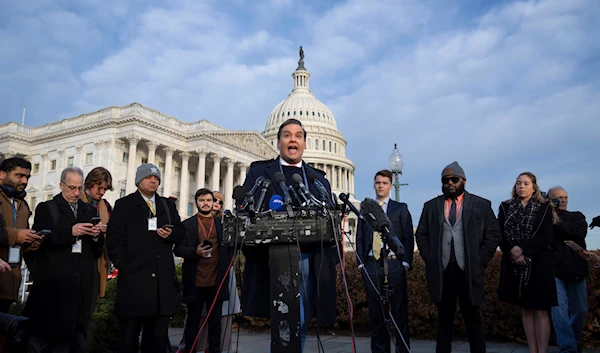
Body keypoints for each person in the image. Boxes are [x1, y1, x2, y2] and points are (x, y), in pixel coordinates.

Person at [241, 118, 338, 352]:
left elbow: (328, 217)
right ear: (278, 142)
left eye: (298, 135)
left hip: (307, 258)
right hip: (270, 258)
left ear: (304, 143)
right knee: (281, 321)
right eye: (287, 135)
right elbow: (246, 210)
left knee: (300, 321)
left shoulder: (317, 178)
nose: (292, 139)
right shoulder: (259, 173)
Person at [415, 161, 501, 353]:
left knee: (473, 316)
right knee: (444, 319)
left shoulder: (481, 204)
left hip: (469, 270)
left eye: (454, 179)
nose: (450, 183)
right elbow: (421, 234)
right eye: (446, 180)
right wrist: (430, 258)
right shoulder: (431, 206)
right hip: (443, 270)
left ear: (463, 181)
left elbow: (494, 233)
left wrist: (480, 260)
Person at [24, 167, 104, 353]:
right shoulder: (46, 208)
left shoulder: (89, 210)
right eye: (71, 188)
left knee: (69, 342)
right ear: (61, 185)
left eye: (79, 188)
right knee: (41, 340)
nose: (76, 193)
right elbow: (41, 240)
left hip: (79, 288)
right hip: (52, 285)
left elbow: (97, 249)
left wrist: (95, 235)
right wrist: (71, 232)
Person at [107, 163, 182, 353]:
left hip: (161, 286)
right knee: (128, 340)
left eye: (156, 178)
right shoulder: (124, 205)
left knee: (156, 342)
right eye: (149, 177)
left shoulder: (167, 205)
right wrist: (125, 266)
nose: (153, 181)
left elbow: (180, 232)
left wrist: (171, 235)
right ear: (139, 180)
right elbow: (114, 241)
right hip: (135, 283)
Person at [498, 172, 557, 353]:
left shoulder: (544, 207)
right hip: (514, 264)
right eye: (518, 183)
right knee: (525, 310)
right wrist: (513, 251)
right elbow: (499, 233)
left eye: (526, 183)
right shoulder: (505, 207)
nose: (521, 186)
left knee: (540, 311)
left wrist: (523, 249)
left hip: (538, 265)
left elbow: (545, 236)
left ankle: (542, 351)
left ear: (534, 187)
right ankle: (533, 350)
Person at [356, 169, 413, 353]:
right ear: (374, 184)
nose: (381, 186)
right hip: (372, 265)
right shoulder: (366, 209)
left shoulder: (400, 208)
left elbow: (408, 238)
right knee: (376, 315)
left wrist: (405, 263)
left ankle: (402, 350)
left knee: (398, 314)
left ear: (390, 185)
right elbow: (360, 238)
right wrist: (361, 264)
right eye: (378, 182)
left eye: (385, 183)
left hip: (394, 264)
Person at [174, 188, 233, 353]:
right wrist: (195, 252)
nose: (206, 203)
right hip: (195, 281)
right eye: (202, 200)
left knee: (215, 322)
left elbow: (230, 248)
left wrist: (228, 261)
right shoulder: (187, 225)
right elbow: (178, 250)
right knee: (193, 322)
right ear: (196, 202)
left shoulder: (222, 225)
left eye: (208, 200)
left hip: (217, 282)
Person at [75, 166, 113, 353]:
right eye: (99, 187)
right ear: (89, 184)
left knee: (87, 317)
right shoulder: (76, 200)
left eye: (105, 188)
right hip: (75, 264)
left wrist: (107, 231)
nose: (101, 192)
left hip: (95, 264)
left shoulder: (105, 206)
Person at [547, 186, 589, 353]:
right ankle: (568, 348)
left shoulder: (577, 216)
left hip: (578, 270)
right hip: (556, 271)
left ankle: (572, 339)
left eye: (565, 197)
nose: (563, 200)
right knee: (559, 311)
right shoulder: (546, 219)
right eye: (558, 198)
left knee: (580, 309)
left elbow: (579, 233)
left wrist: (556, 222)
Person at [0, 157, 40, 312]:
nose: (24, 181)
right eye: (19, 176)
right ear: (2, 174)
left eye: (27, 177)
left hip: (11, 281)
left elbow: (22, 240)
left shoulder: (22, 205)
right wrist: (17, 236)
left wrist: (31, 242)